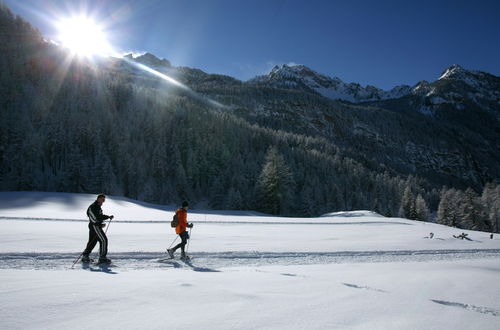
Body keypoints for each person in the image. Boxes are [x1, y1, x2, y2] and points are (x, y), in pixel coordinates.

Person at [82, 194, 114, 264]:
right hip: (95, 226)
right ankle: (102, 258)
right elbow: (94, 218)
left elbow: (99, 216)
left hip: (94, 226)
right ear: (98, 199)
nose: (103, 201)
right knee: (103, 240)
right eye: (102, 199)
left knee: (92, 242)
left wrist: (108, 217)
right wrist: (99, 224)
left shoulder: (97, 207)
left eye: (104, 200)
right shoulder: (93, 207)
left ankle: (85, 256)